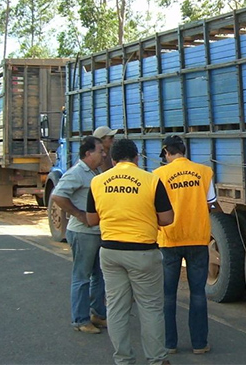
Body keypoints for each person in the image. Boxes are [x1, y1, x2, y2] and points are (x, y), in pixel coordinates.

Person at [86, 138, 174, 365]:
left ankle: (123, 359)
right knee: (151, 308)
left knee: (116, 308)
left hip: (110, 251)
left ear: (113, 160)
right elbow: (167, 218)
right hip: (143, 252)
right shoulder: (151, 180)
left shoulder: (97, 182)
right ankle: (156, 359)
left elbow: (91, 219)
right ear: (136, 158)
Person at [154, 135, 216, 355]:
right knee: (198, 293)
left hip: (169, 239)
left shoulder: (159, 175)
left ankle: (169, 344)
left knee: (168, 294)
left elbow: (156, 209)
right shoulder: (204, 171)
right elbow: (211, 204)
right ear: (184, 150)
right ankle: (200, 344)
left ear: (167, 153)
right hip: (198, 238)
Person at [50, 135, 107, 334]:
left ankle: (97, 314)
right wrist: (78, 214)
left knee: (98, 275)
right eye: (100, 151)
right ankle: (80, 320)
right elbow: (57, 195)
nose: (104, 154)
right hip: (83, 233)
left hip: (96, 231)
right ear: (88, 153)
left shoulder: (94, 172)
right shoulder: (76, 173)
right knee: (81, 277)